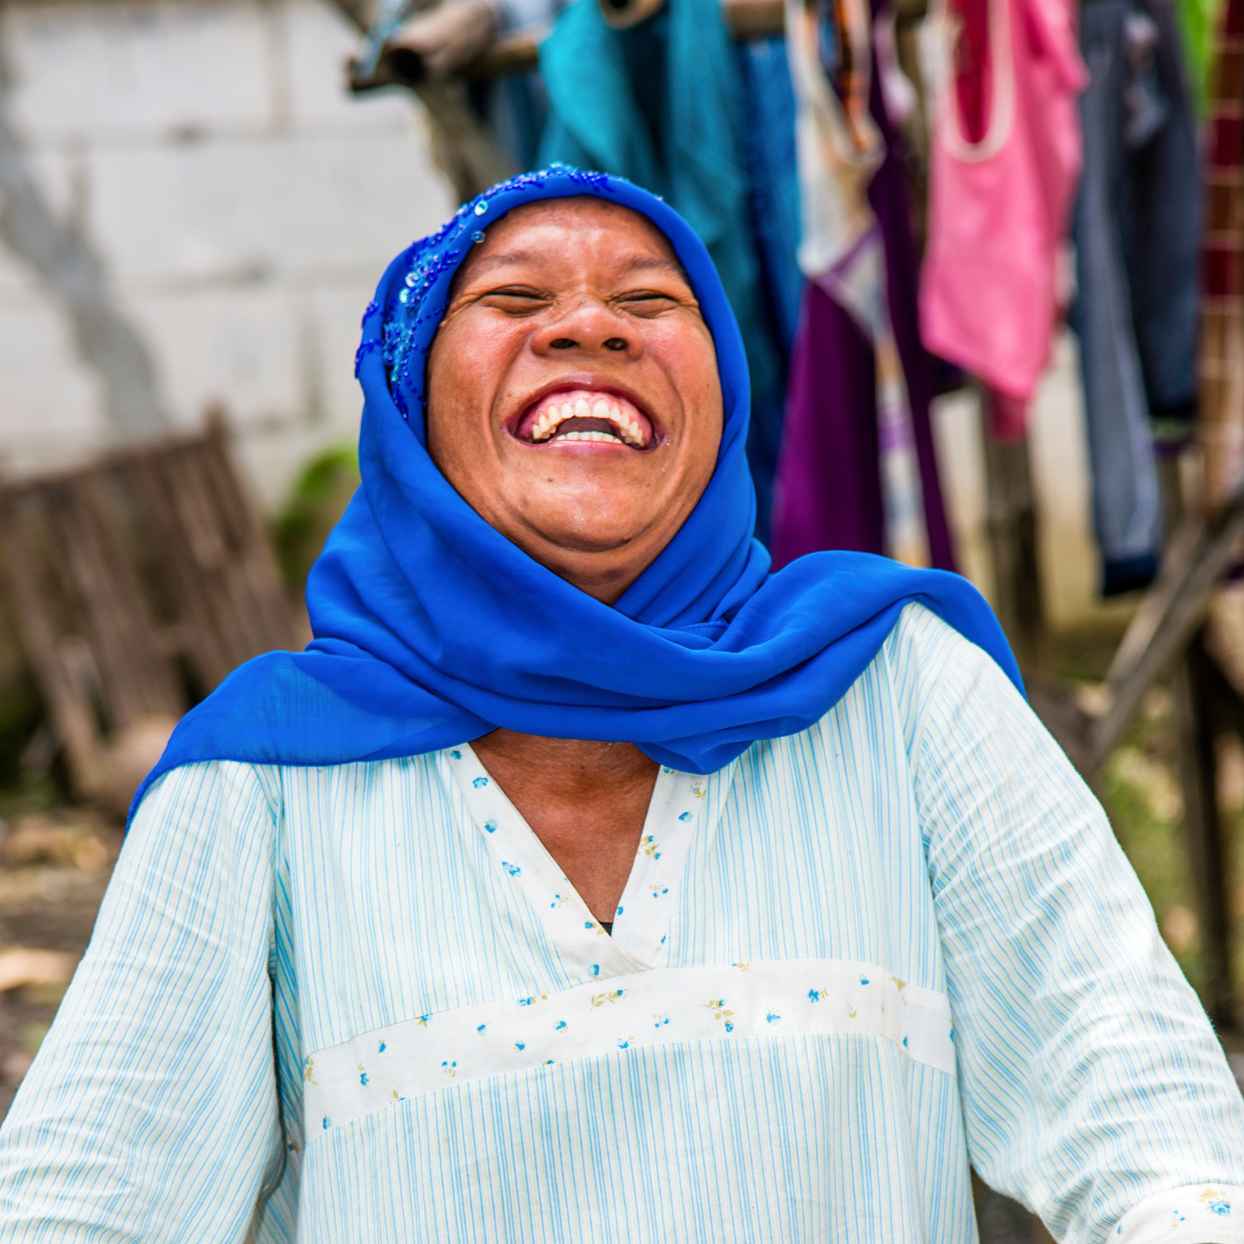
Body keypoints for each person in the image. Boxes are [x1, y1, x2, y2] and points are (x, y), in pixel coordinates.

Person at [0, 166, 1241, 1243]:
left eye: (650, 301)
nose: (589, 324)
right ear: (409, 404)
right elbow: (92, 1196)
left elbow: (1132, 1098)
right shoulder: (261, 777)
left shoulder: (895, 686)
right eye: (514, 300)